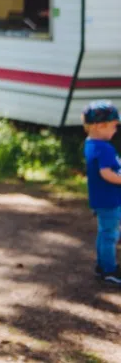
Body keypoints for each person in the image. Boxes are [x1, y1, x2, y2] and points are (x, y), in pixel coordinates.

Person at [83, 101, 121, 285]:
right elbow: (106, 173)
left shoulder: (90, 144)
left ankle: (102, 265)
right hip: (109, 199)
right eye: (114, 126)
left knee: (105, 232)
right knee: (109, 234)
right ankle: (109, 270)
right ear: (100, 125)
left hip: (101, 198)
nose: (116, 130)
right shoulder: (104, 147)